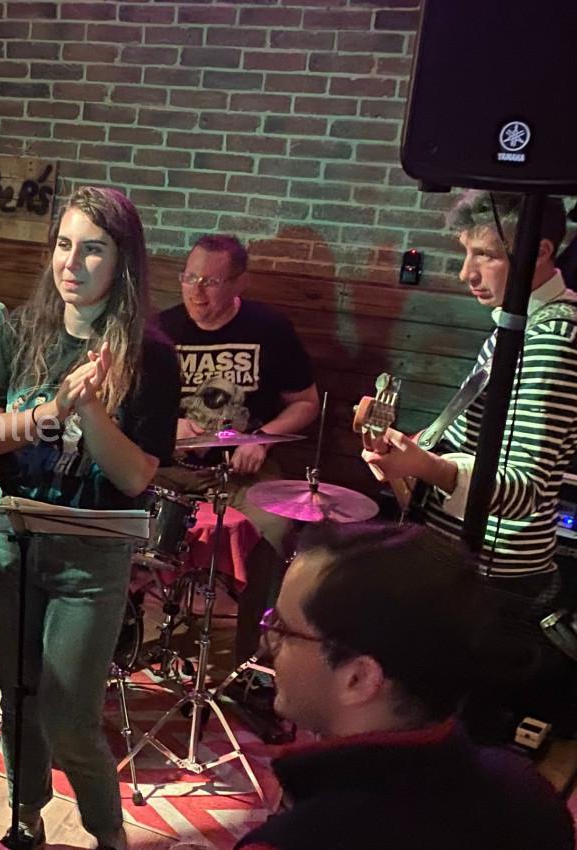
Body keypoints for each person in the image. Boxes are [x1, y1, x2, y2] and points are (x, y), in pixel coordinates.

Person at [0, 186, 180, 850]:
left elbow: (139, 475)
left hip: (91, 558)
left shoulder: (151, 355)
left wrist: (89, 412)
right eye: (63, 245)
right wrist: (48, 415)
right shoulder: (21, 330)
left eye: (92, 250)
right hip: (9, 545)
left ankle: (108, 835)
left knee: (69, 714)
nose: (72, 264)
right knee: (18, 698)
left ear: (123, 263)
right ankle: (25, 818)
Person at [360, 192, 577, 729]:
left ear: (540, 251)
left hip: (497, 580)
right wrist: (401, 457)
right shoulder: (517, 328)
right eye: (466, 253)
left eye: (485, 255)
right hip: (467, 560)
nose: (465, 273)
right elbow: (462, 458)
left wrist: (425, 467)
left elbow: (525, 490)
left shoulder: (552, 340)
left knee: (450, 737)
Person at [236, 521, 574, 849]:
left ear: (359, 678)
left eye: (284, 629)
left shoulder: (291, 841)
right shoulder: (529, 793)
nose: (269, 645)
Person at [156, 234, 319, 660]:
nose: (196, 291)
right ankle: (131, 641)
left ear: (238, 284)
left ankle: (252, 655)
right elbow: (128, 409)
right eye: (189, 278)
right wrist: (166, 424)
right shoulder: (161, 330)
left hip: (243, 472)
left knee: (278, 529)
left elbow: (306, 404)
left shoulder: (270, 330)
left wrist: (262, 439)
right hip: (171, 470)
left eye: (210, 281)